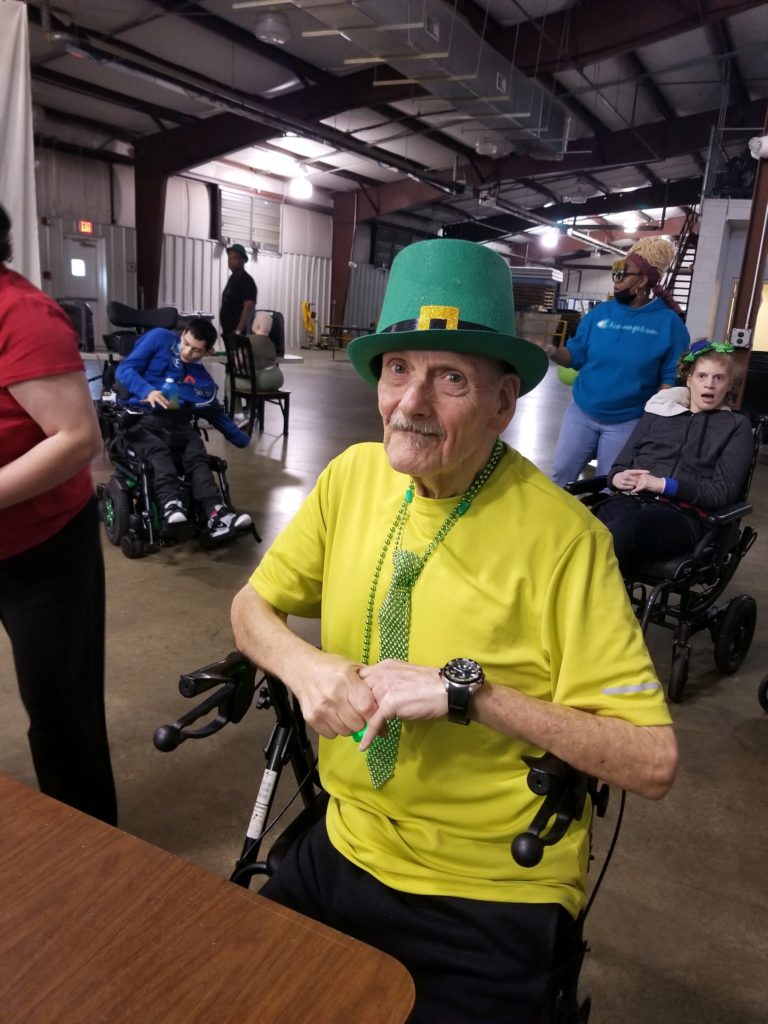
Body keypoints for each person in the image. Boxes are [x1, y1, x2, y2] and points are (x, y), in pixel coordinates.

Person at [231, 239, 677, 1024]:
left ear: (505, 404)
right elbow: (250, 610)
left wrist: (471, 694)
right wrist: (304, 668)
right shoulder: (350, 479)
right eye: (398, 369)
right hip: (346, 842)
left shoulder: (566, 539)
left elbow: (651, 760)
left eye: (450, 379)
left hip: (490, 886)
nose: (411, 403)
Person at [0, 203, 117, 824]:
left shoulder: (22, 314)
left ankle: (89, 853)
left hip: (40, 551)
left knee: (61, 712)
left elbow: (76, 439)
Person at [592, 341, 754, 571]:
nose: (709, 384)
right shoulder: (659, 410)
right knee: (581, 528)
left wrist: (664, 485)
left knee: (623, 531)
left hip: (682, 517)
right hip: (629, 500)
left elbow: (722, 493)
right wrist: (617, 477)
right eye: (702, 376)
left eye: (719, 378)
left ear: (729, 385)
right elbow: (620, 464)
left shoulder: (736, 426)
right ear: (688, 379)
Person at [547, 237, 690, 486]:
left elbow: (670, 379)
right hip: (582, 412)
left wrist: (652, 424)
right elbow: (576, 355)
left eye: (622, 274)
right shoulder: (600, 314)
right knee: (561, 474)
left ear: (643, 281)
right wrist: (550, 350)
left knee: (610, 484)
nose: (617, 279)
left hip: (627, 422)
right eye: (616, 271)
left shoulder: (670, 325)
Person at [115, 317, 253, 540]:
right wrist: (147, 390)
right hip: (141, 417)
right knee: (158, 450)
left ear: (208, 352)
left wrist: (240, 438)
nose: (188, 352)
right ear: (182, 334)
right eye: (185, 343)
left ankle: (216, 513)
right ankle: (171, 504)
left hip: (177, 422)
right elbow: (125, 369)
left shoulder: (200, 378)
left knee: (196, 453)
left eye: (196, 350)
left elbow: (213, 411)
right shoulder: (159, 338)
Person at [220, 243, 257, 339]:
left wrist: (237, 332)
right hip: (229, 332)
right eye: (229, 258)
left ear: (243, 260)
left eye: (235, 258)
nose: (231, 261)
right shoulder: (233, 278)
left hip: (238, 335)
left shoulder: (247, 281)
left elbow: (248, 309)